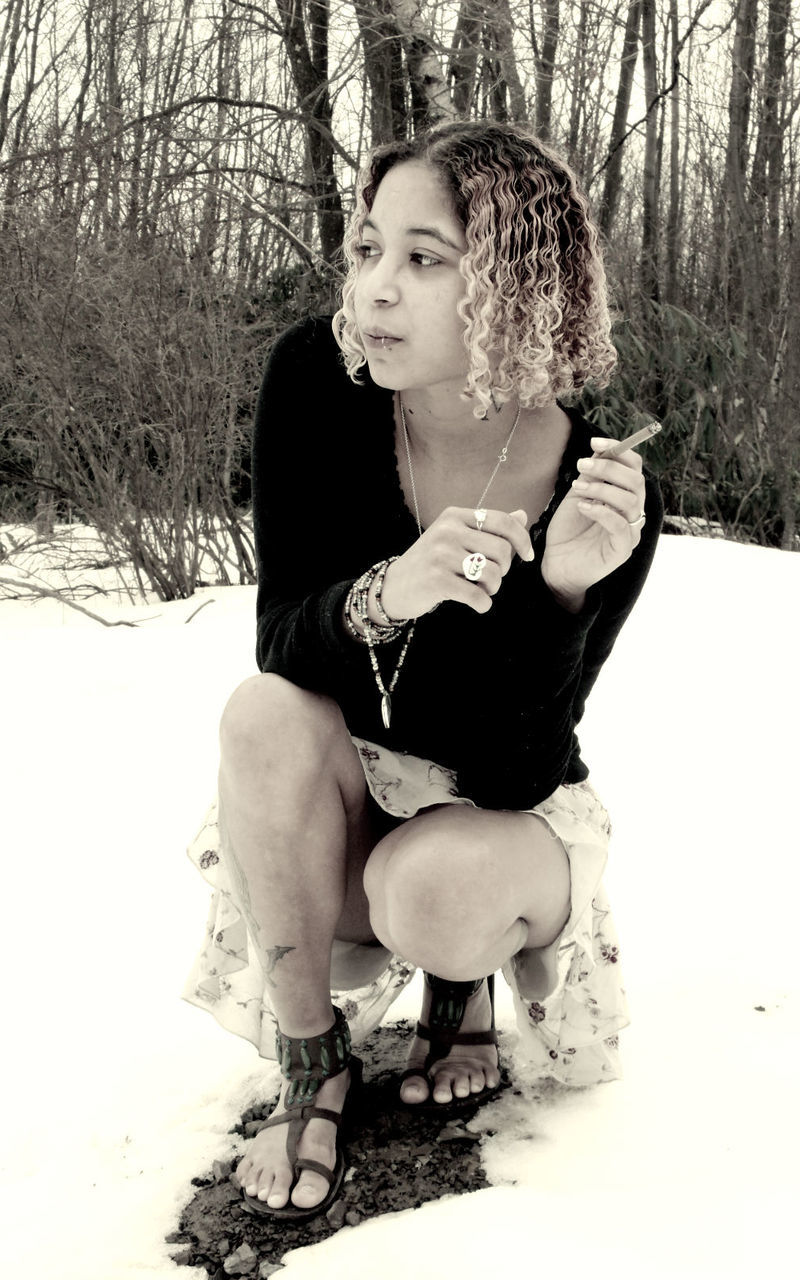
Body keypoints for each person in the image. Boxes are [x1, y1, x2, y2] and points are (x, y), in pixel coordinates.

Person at [183, 119, 662, 1222]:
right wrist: (389, 591)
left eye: (424, 257)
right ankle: (314, 1064)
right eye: (365, 249)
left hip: (502, 813)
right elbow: (282, 642)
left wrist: (559, 594)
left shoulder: (599, 489)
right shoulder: (316, 377)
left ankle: (467, 980)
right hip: (354, 771)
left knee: (436, 893)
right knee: (261, 712)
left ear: (514, 283)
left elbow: (514, 768)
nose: (376, 290)